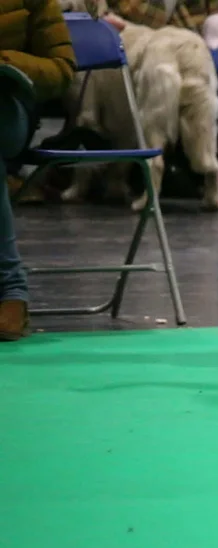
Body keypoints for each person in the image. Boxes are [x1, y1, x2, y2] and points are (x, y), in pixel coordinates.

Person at [0, 0, 76, 341]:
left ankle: (10, 289)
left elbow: (62, 69)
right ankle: (12, 293)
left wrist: (5, 62)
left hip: (7, 105)